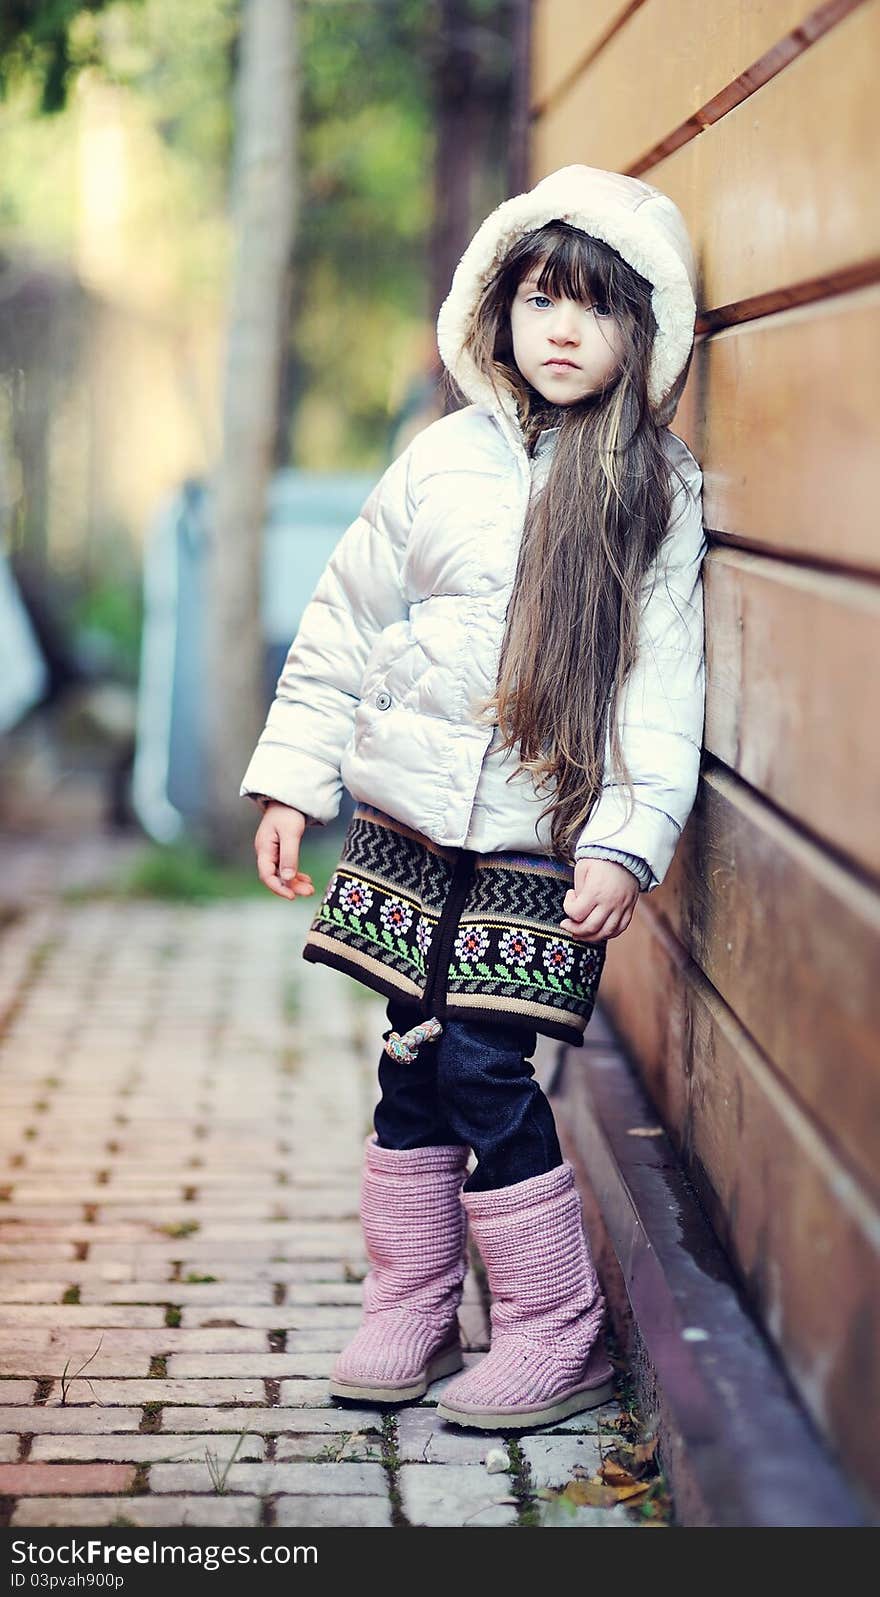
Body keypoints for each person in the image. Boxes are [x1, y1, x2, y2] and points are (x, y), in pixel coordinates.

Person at [240, 164, 707, 1432]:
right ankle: (411, 1299)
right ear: (497, 306)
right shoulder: (439, 459)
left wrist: (626, 841)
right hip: (406, 823)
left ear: (642, 328)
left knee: (491, 1065)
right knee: (411, 1058)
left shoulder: (651, 489)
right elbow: (342, 621)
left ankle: (552, 1326)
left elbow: (661, 688)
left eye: (598, 308)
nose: (563, 329)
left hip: (540, 836)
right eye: (543, 299)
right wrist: (294, 777)